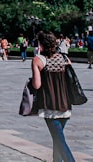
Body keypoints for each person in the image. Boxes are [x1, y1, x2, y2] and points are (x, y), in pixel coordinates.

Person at [31, 31, 76, 162]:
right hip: (65, 102)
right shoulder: (65, 59)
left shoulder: (38, 60)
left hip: (49, 104)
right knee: (57, 138)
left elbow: (37, 85)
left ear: (41, 44)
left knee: (59, 140)